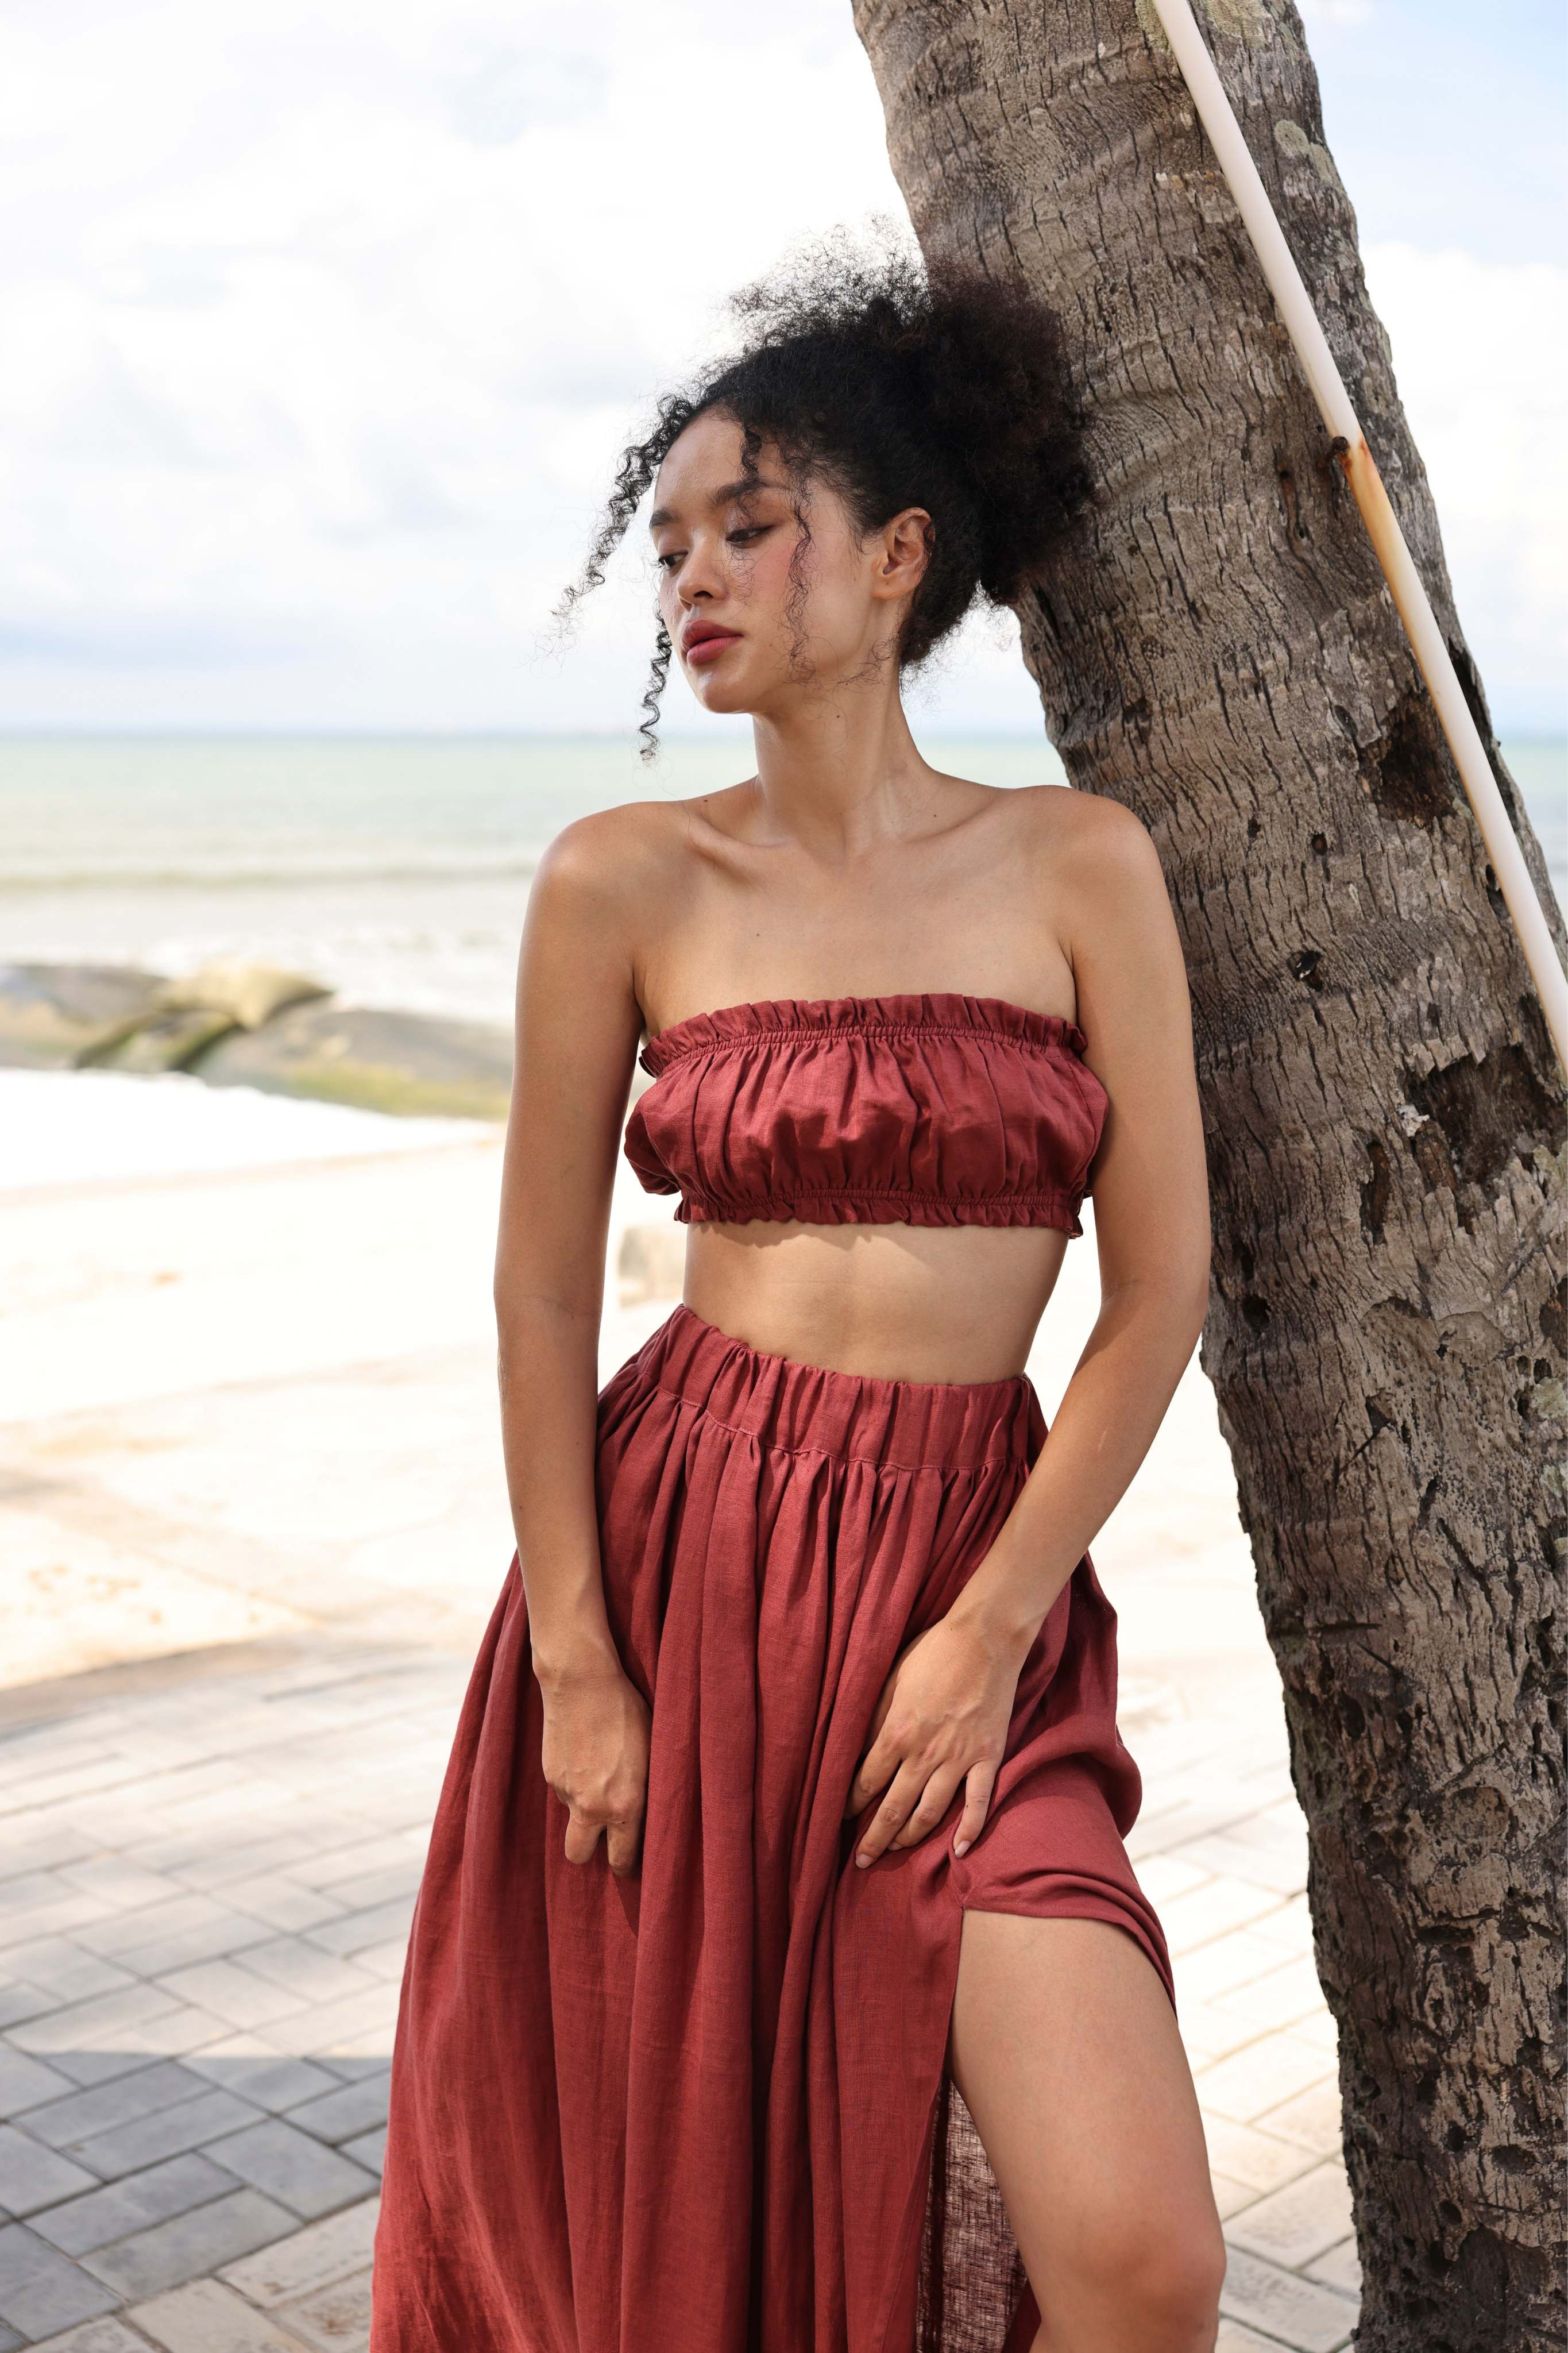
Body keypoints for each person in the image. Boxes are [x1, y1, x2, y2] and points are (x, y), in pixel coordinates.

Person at [370, 241, 1225, 2353]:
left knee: (1139, 2253)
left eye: (750, 525)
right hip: (684, 1572)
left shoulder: (1075, 863)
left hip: (967, 1566)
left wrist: (989, 1629)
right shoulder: (624, 881)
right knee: (675, 2213)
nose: (696, 576)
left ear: (896, 553)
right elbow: (537, 1295)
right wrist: (577, 1659)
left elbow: (1159, 1289)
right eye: (671, 542)